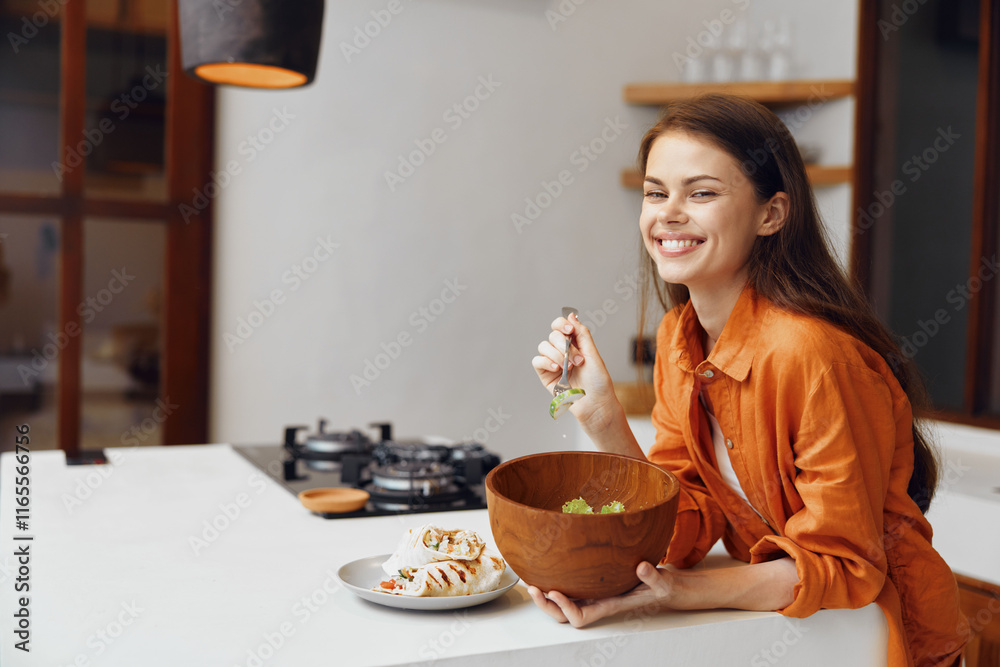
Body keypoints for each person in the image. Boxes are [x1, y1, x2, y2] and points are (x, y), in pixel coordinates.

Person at [529, 94, 967, 667]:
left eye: (702, 192)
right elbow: (683, 532)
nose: (669, 212)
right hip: (790, 634)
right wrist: (602, 418)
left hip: (878, 638)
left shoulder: (813, 355)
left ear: (772, 214)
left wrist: (678, 596)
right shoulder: (678, 338)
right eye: (656, 192)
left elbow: (846, 567)